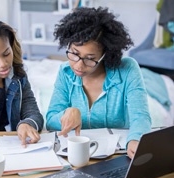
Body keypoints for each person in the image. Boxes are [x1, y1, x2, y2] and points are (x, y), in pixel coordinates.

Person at [46, 7, 151, 159]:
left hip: (117, 156)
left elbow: (140, 116)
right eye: (74, 54)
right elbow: (50, 121)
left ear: (105, 55)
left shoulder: (128, 69)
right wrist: (66, 115)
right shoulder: (65, 72)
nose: (78, 65)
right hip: (76, 155)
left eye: (89, 58)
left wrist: (135, 140)